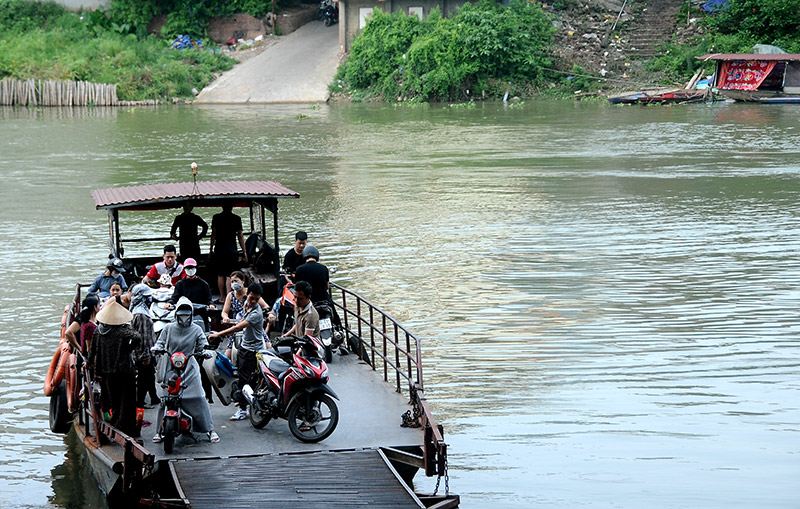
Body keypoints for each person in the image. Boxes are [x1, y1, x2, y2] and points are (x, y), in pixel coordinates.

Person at [152, 297, 219, 443]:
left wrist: (205, 351)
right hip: (171, 365)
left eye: (186, 315)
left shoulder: (196, 329)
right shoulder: (168, 328)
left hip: (189, 365)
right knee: (165, 398)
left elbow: (202, 343)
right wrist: (157, 348)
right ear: (175, 314)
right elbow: (160, 342)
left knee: (200, 397)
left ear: (191, 314)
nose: (183, 318)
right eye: (180, 314)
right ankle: (159, 431)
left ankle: (209, 429)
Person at [209, 283, 267, 421]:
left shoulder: (256, 313)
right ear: (248, 295)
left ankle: (243, 409)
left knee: (245, 380)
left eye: (256, 299)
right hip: (244, 347)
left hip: (253, 351)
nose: (253, 301)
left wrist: (218, 334)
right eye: (251, 298)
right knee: (243, 376)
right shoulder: (246, 305)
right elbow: (240, 321)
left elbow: (239, 327)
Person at [88, 299, 140, 436]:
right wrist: (128, 349)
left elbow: (92, 351)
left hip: (107, 369)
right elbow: (137, 337)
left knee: (115, 398)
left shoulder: (99, 331)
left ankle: (116, 422)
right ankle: (127, 426)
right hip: (125, 369)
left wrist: (88, 363)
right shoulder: (123, 330)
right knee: (128, 398)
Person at [220, 270, 270, 357]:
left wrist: (266, 315)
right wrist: (225, 317)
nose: (233, 283)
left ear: (243, 281)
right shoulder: (230, 295)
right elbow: (224, 311)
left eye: (236, 281)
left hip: (252, 325)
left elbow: (266, 307)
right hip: (237, 324)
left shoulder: (251, 293)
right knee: (227, 355)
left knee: (269, 348)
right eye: (232, 281)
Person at [129, 284, 160, 409]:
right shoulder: (141, 316)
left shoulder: (137, 311)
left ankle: (154, 397)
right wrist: (146, 355)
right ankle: (139, 402)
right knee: (144, 377)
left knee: (149, 374)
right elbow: (143, 338)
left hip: (142, 351)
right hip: (143, 352)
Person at [210, 203, 247, 302]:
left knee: (220, 275)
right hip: (232, 250)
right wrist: (244, 252)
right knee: (229, 275)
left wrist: (210, 250)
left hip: (219, 249)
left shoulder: (216, 217)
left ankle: (222, 297)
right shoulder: (236, 218)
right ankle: (228, 298)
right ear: (231, 207)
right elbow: (240, 236)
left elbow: (213, 235)